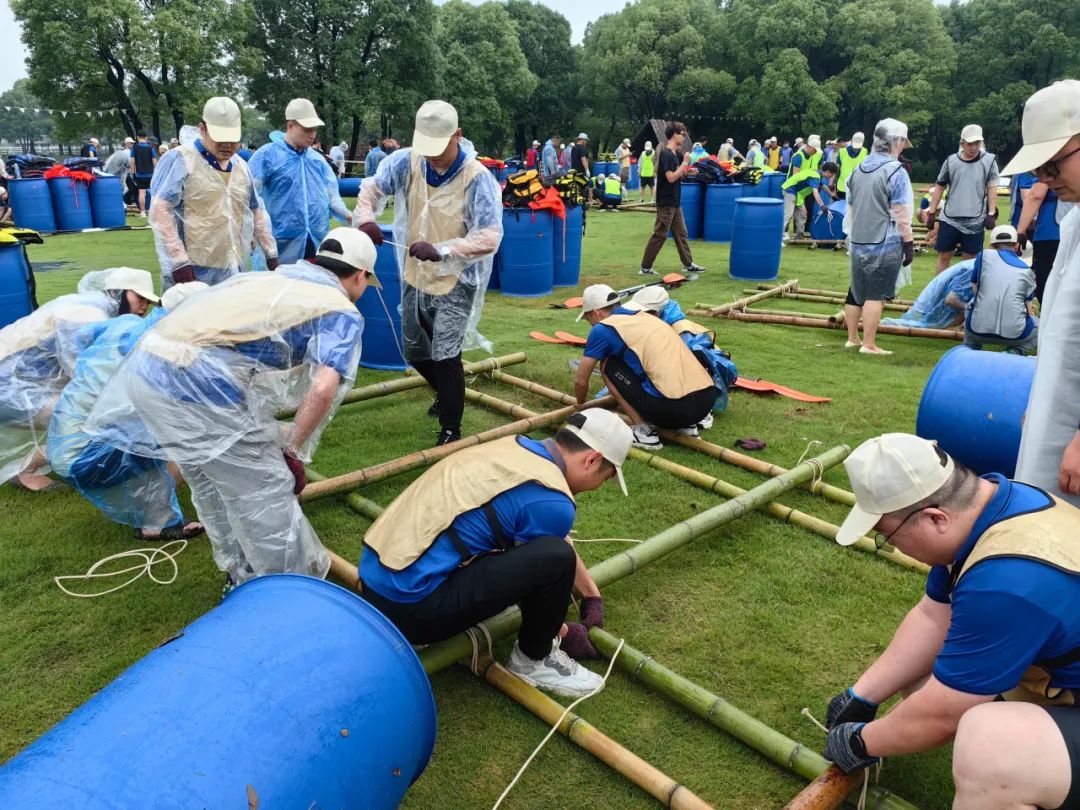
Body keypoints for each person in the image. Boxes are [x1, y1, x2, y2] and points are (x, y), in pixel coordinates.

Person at [86, 229, 379, 592]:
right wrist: (292, 451)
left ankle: (239, 575)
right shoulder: (339, 309)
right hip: (194, 385)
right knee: (266, 492)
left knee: (209, 481)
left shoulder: (274, 278)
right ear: (360, 275)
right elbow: (322, 386)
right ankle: (289, 594)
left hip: (147, 372)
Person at [822, 433, 1080, 810]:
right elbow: (932, 617)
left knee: (988, 749)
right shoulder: (996, 505)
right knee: (924, 680)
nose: (894, 546)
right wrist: (862, 695)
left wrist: (863, 741)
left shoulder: (1005, 583)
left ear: (935, 518)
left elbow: (946, 710)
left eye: (888, 536)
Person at [360, 407, 631, 695]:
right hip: (411, 610)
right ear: (592, 460)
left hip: (374, 582)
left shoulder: (514, 447)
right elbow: (547, 561)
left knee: (540, 549)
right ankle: (534, 659)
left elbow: (549, 535)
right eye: (604, 479)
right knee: (556, 559)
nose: (598, 487)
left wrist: (591, 594)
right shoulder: (553, 501)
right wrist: (561, 631)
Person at [353, 100, 503, 446]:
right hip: (414, 272)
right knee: (415, 349)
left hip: (457, 277)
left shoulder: (477, 178)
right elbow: (371, 189)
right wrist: (366, 220)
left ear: (458, 136)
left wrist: (444, 250)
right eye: (428, 148)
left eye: (440, 148)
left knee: (446, 351)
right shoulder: (408, 162)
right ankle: (447, 392)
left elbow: (489, 235)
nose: (433, 156)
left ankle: (451, 428)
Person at [47, 282, 209, 540]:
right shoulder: (162, 349)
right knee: (190, 435)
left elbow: (82, 338)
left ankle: (155, 516)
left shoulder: (127, 324)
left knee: (171, 428)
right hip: (85, 455)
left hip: (62, 445)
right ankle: (157, 519)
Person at [0, 268, 159, 492]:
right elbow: (87, 375)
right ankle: (28, 471)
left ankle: (39, 465)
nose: (144, 306)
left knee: (93, 416)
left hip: (23, 384)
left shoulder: (97, 309)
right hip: (9, 389)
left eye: (148, 301)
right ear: (118, 292)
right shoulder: (86, 314)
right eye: (139, 297)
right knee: (88, 419)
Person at [1008, 80, 1080, 512]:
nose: (1045, 180)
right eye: (1039, 170)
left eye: (1053, 165)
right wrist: (1040, 402)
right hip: (1058, 420)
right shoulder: (1072, 219)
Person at [148, 96, 279, 290]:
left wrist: (271, 253)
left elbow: (255, 210)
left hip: (233, 266)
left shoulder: (241, 167)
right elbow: (160, 209)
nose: (227, 145)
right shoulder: (181, 160)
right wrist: (178, 259)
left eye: (232, 139)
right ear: (202, 129)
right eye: (220, 138)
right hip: (193, 269)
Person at [574, 284, 718, 449]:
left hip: (674, 409)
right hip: (706, 401)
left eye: (588, 319)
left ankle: (644, 432)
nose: (590, 324)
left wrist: (581, 405)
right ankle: (686, 426)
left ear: (595, 313)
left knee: (608, 365)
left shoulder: (603, 329)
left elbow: (581, 379)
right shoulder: (649, 318)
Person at [247, 98, 352, 266]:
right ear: (290, 126)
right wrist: (256, 233)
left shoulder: (317, 160)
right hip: (280, 241)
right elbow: (249, 197)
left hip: (315, 239)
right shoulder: (266, 156)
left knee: (311, 288)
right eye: (307, 129)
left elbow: (331, 196)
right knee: (281, 288)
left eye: (315, 130)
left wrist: (348, 215)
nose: (312, 135)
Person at [843, 119, 914, 356]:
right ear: (896, 141)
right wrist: (908, 241)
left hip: (859, 238)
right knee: (876, 294)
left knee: (855, 290)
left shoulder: (858, 168)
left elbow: (851, 208)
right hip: (885, 240)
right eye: (903, 141)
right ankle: (869, 343)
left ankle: (852, 338)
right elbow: (901, 211)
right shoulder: (896, 171)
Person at [927, 124, 1000, 274]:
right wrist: (932, 212)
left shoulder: (989, 162)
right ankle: (938, 291)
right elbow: (940, 185)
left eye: (977, 144)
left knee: (970, 258)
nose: (973, 148)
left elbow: (992, 187)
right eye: (970, 144)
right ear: (962, 144)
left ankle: (966, 293)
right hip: (950, 217)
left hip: (975, 217)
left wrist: (991, 213)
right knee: (944, 255)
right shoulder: (950, 161)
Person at [638, 122, 707, 277]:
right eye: (682, 134)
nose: (684, 136)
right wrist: (685, 164)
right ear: (674, 135)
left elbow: (678, 175)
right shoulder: (667, 154)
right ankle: (645, 267)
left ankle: (688, 264)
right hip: (666, 202)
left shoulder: (677, 154)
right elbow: (670, 178)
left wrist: (689, 172)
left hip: (675, 202)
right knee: (660, 234)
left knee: (681, 233)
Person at [962, 225, 1038, 354]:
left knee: (970, 304)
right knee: (1041, 327)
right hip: (1016, 336)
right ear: (1017, 245)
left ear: (992, 245)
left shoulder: (983, 256)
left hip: (976, 331)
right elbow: (1029, 307)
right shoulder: (1027, 270)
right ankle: (1017, 351)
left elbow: (975, 288)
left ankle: (970, 347)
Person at [881, 258, 975, 330]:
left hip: (930, 303)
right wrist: (971, 309)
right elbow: (950, 299)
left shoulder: (975, 265)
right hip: (930, 308)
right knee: (972, 306)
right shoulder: (971, 270)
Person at [1015, 175, 1064, 302]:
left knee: (1047, 285)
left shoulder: (1053, 167)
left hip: (1051, 233)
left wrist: (1020, 231)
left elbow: (1035, 196)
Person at [781, 158, 835, 241]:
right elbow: (815, 192)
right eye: (832, 174)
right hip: (789, 190)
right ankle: (778, 238)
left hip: (797, 194)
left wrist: (832, 195)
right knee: (788, 215)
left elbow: (822, 186)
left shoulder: (817, 175)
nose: (831, 177)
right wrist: (822, 205)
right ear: (827, 171)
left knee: (802, 214)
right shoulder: (814, 176)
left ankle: (799, 237)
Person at [130, 131, 157, 215]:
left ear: (137, 137)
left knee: (141, 193)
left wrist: (133, 173)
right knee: (152, 192)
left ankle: (143, 212)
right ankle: (153, 211)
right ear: (146, 137)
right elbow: (154, 162)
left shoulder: (134, 148)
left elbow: (132, 162)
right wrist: (156, 172)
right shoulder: (151, 148)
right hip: (151, 174)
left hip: (140, 174)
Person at [836, 132, 867, 199]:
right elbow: (837, 167)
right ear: (851, 141)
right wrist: (832, 182)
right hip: (842, 187)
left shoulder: (865, 152)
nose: (856, 148)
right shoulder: (842, 152)